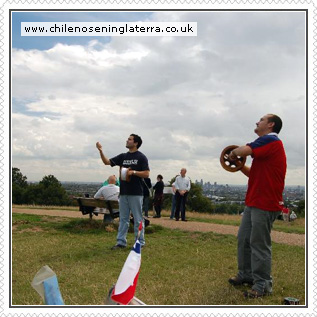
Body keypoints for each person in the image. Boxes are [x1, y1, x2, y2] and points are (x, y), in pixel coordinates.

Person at [227, 114, 287, 298]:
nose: (256, 122)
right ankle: (246, 275)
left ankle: (263, 285)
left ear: (270, 125)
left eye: (261, 120)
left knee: (259, 244)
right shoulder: (265, 146)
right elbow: (252, 173)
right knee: (244, 239)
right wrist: (237, 165)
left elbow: (242, 150)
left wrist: (233, 154)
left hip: (266, 202)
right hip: (254, 201)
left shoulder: (270, 140)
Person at [96, 134, 150, 249]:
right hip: (124, 193)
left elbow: (146, 173)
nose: (127, 140)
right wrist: (100, 151)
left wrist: (134, 172)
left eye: (130, 139)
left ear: (135, 143)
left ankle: (139, 243)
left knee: (138, 219)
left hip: (136, 193)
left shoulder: (141, 157)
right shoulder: (123, 156)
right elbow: (107, 162)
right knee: (123, 219)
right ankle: (121, 242)